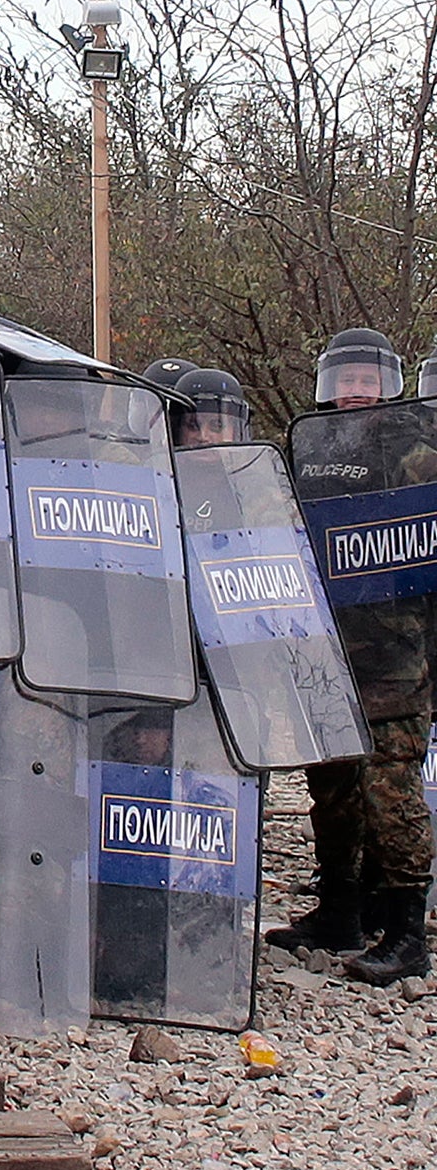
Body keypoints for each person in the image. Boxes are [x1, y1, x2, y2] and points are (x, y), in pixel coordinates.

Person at [274, 328, 432, 983]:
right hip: (328, 649)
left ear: (389, 384)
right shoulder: (308, 453)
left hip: (398, 658)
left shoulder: (419, 453)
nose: (355, 392)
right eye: (344, 379)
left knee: (390, 794)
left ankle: (405, 932)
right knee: (332, 788)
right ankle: (339, 909)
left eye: (367, 379)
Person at [169, 366, 252, 448]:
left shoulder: (256, 461)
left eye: (216, 426)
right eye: (193, 426)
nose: (203, 437)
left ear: (235, 432)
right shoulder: (160, 461)